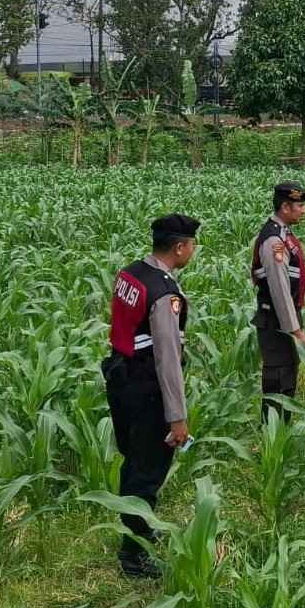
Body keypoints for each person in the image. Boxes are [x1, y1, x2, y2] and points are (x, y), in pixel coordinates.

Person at [102, 213, 200, 579]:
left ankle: (138, 528)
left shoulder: (131, 273)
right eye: (191, 246)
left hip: (120, 374)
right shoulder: (164, 292)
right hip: (147, 387)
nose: (192, 251)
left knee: (133, 460)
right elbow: (168, 358)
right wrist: (177, 417)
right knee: (147, 469)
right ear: (179, 247)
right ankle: (134, 555)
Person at [251, 182, 305, 420]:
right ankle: (272, 430)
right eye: (300, 205)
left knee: (288, 373)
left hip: (283, 319)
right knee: (278, 377)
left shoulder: (283, 234)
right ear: (285, 207)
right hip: (276, 321)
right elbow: (279, 289)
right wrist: (295, 330)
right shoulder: (273, 240)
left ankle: (281, 429)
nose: (304, 210)